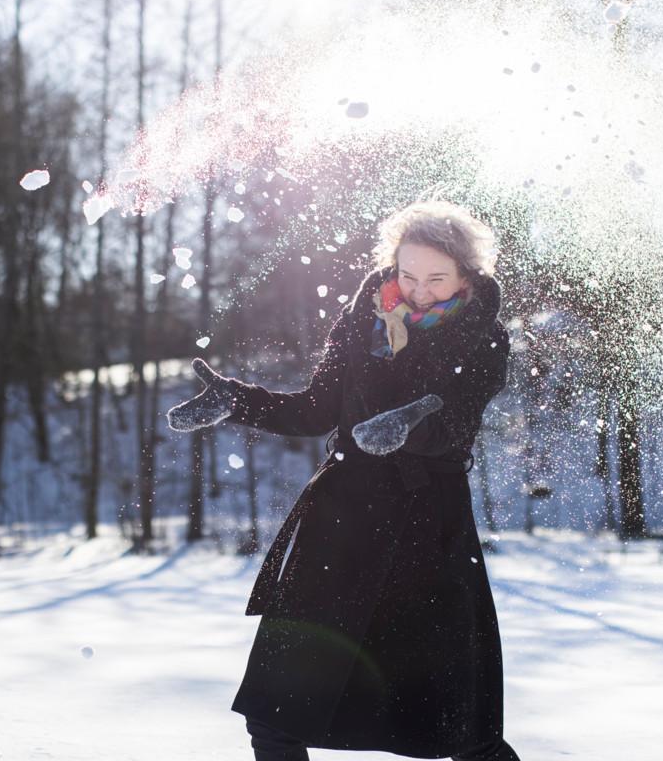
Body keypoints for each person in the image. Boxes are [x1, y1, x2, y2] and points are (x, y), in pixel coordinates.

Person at [168, 200, 520, 761]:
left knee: (459, 725)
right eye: (408, 275)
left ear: (465, 276)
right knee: (275, 712)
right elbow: (315, 410)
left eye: (436, 278)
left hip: (426, 530)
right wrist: (237, 402)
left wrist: (408, 423)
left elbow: (455, 424)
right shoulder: (362, 323)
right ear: (392, 266)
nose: (419, 290)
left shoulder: (482, 338)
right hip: (341, 524)